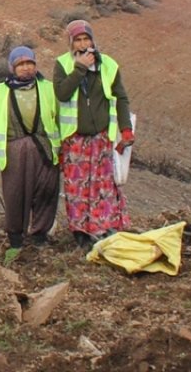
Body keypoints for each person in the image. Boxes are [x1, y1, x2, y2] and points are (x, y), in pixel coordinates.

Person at [54, 20, 133, 248]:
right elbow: (62, 93)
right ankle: (80, 232)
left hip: (101, 137)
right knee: (77, 187)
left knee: (103, 186)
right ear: (71, 43)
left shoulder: (108, 65)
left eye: (85, 39)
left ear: (92, 40)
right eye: (77, 40)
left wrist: (125, 129)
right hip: (75, 138)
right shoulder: (63, 64)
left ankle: (105, 228)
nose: (82, 44)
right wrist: (79, 68)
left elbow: (121, 98)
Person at [0, 46, 61, 254]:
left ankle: (40, 234)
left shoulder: (49, 88)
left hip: (45, 147)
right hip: (14, 149)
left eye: (29, 63)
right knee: (15, 194)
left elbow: (60, 118)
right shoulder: (0, 92)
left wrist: (65, 146)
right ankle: (16, 237)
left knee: (47, 191)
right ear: (12, 68)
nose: (26, 68)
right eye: (20, 65)